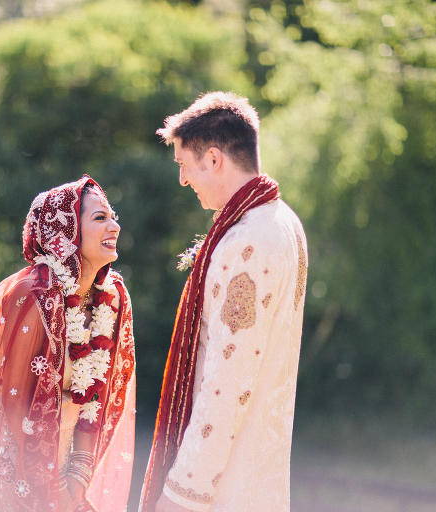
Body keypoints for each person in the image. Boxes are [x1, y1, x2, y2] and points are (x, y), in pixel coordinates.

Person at [140, 92, 308, 512]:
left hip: (221, 489)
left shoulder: (246, 241)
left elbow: (227, 380)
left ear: (213, 159)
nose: (182, 179)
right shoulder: (284, 222)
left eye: (183, 164)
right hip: (260, 479)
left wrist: (182, 494)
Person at [0, 176, 136, 512]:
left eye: (113, 216)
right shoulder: (35, 294)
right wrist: (54, 490)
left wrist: (78, 477)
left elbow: (103, 395)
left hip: (59, 452)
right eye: (100, 218)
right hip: (2, 450)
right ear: (66, 231)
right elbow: (18, 406)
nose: (114, 225)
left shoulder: (111, 297)